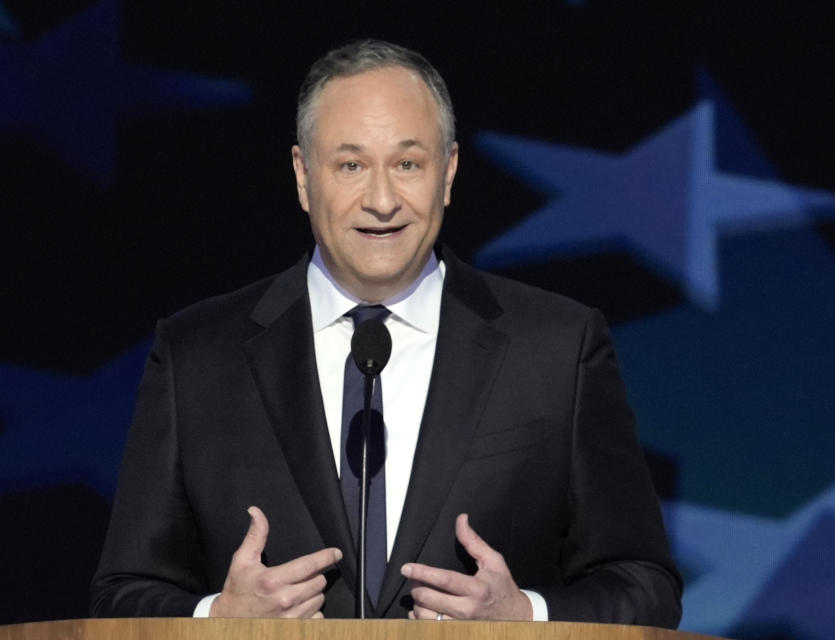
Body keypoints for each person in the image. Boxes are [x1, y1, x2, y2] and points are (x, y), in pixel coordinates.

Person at [90, 39, 682, 626]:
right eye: (350, 165)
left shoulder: (558, 348)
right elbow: (121, 595)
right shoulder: (198, 355)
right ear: (302, 176)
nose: (381, 200)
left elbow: (645, 588)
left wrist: (525, 615)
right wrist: (216, 619)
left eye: (407, 164)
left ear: (447, 173)